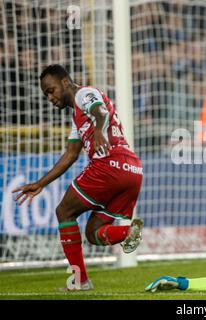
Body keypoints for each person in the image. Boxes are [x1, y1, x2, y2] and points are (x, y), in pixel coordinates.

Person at [12, 64, 144, 291]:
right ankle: (128, 232)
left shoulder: (84, 93)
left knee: (64, 212)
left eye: (51, 90)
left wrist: (100, 131)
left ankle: (80, 281)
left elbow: (100, 112)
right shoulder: (77, 117)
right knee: (93, 233)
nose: (49, 97)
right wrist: (40, 183)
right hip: (132, 171)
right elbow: (71, 155)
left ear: (65, 82)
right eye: (45, 94)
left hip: (109, 166)